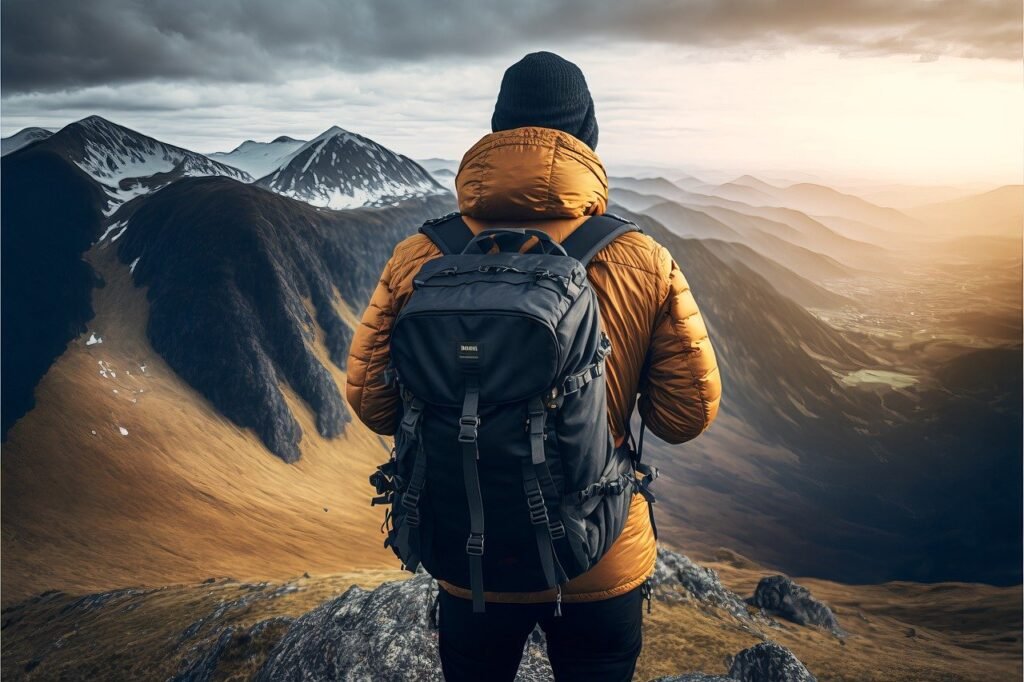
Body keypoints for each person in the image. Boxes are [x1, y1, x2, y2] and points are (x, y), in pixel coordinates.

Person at [346, 51, 721, 682]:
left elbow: (374, 403)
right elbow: (685, 416)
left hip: (470, 553)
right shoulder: (641, 259)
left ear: (495, 131)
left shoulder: (419, 256)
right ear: (589, 138)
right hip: (598, 553)